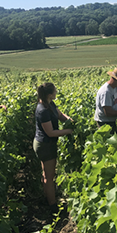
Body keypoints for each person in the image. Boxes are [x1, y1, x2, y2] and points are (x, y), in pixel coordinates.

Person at [33, 81, 74, 210]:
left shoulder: (49, 104)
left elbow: (60, 115)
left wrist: (69, 120)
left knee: (46, 175)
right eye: (55, 91)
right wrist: (68, 131)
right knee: (49, 177)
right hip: (45, 145)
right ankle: (52, 206)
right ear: (50, 94)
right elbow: (50, 133)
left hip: (44, 143)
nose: (56, 92)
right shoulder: (43, 110)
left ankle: (46, 197)